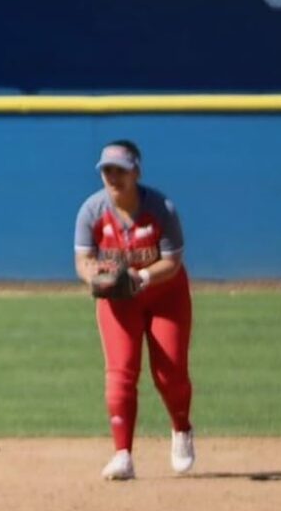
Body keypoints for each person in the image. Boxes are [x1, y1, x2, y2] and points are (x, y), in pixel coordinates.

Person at [74, 139, 196, 481]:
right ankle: (123, 454)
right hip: (119, 302)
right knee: (120, 374)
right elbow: (83, 261)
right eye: (107, 171)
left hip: (165, 296)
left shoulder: (161, 208)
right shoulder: (92, 211)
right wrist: (94, 276)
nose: (113, 177)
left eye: (121, 170)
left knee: (169, 374)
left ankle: (181, 429)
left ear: (136, 172)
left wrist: (141, 276)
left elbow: (172, 262)